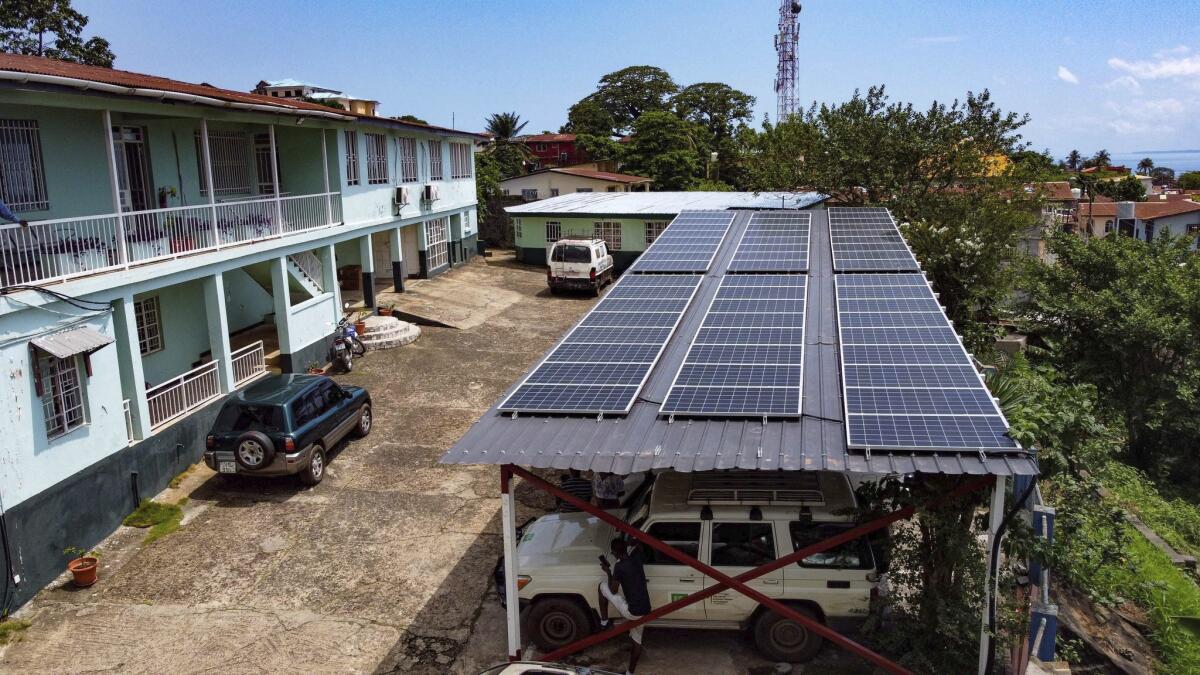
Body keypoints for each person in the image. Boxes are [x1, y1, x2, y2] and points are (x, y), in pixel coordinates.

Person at [598, 537, 651, 675]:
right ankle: (630, 673)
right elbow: (640, 546)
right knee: (637, 640)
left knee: (602, 587)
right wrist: (632, 543)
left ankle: (604, 622)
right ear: (626, 547)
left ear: (614, 553)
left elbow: (613, 590)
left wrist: (608, 572)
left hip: (631, 612)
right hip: (645, 610)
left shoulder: (619, 566)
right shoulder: (637, 558)